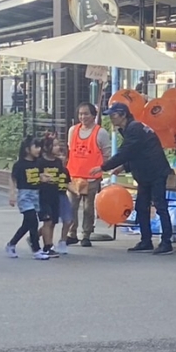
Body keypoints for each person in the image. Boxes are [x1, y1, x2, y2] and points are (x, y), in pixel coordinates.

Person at [91, 102, 174, 255]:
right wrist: (124, 167)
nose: (111, 118)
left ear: (123, 114)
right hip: (145, 173)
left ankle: (166, 242)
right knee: (142, 207)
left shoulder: (134, 128)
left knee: (160, 206)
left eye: (113, 115)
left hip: (155, 172)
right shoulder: (130, 128)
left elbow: (125, 152)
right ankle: (146, 240)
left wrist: (103, 167)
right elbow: (137, 152)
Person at [65, 102, 110, 247]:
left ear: (93, 115)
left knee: (88, 208)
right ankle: (72, 233)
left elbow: (107, 154)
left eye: (86, 114)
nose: (83, 117)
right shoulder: (73, 130)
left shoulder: (101, 133)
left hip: (91, 178)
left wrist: (102, 169)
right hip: (74, 176)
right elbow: (70, 148)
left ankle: (86, 234)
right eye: (80, 114)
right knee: (71, 206)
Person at [6, 137, 45, 258]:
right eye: (36, 147)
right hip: (25, 195)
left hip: (36, 194)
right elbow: (13, 179)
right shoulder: (19, 164)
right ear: (27, 149)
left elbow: (41, 176)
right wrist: (12, 194)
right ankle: (36, 249)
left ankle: (11, 244)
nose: (39, 150)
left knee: (27, 224)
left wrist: (44, 178)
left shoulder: (39, 162)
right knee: (33, 220)